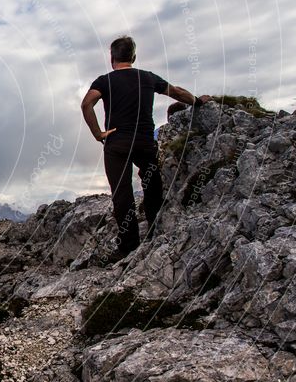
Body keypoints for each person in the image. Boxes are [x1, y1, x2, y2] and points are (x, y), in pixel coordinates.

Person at [80, 35, 210, 261]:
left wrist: (98, 133)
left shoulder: (104, 81)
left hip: (116, 144)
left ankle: (128, 247)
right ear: (134, 56)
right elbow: (177, 93)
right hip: (144, 142)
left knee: (122, 194)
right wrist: (198, 101)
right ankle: (155, 228)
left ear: (112, 58)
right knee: (152, 184)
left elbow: (86, 104)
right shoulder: (148, 78)